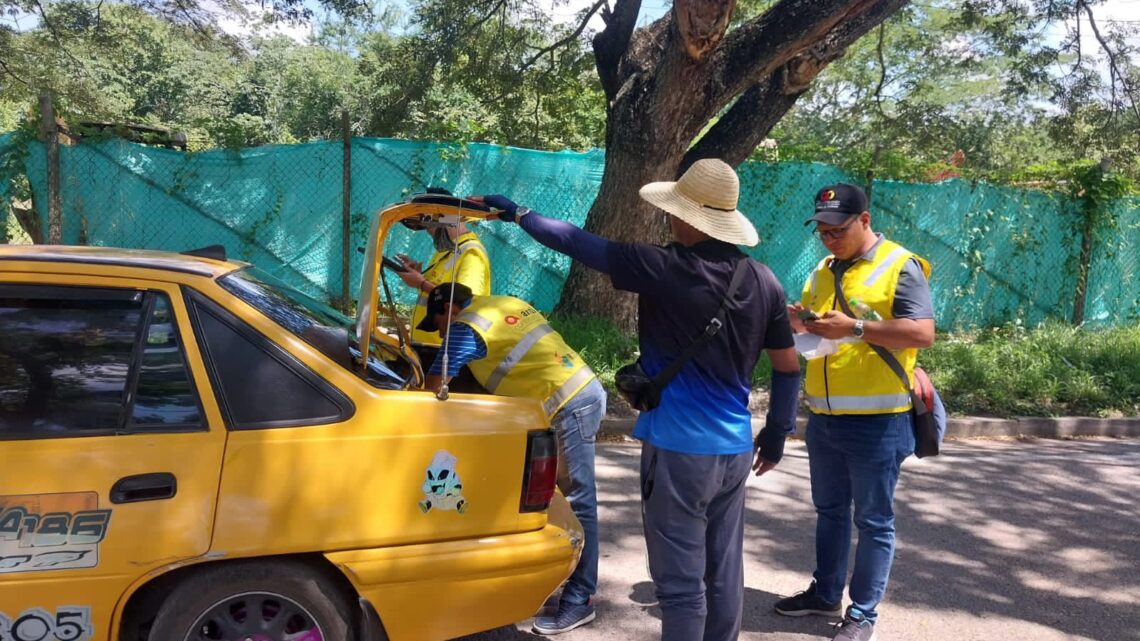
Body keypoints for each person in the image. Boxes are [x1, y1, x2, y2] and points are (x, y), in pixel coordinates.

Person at [476, 157, 802, 641]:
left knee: (681, 585)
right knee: (723, 573)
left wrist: (518, 213)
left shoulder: (664, 267)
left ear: (690, 217)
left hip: (679, 450)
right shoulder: (764, 280)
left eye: (675, 211)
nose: (668, 218)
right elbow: (787, 366)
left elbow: (576, 242)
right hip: (735, 452)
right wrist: (776, 434)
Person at [776, 183, 935, 641]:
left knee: (873, 520)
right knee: (829, 511)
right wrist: (800, 319)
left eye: (837, 229)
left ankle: (862, 613)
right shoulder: (823, 270)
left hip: (879, 421)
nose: (828, 238)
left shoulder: (900, 265)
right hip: (824, 419)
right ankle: (825, 592)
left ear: (864, 220)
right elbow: (823, 329)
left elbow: (922, 334)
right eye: (821, 231)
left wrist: (858, 327)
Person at [417, 282, 606, 636]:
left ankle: (580, 600)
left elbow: (435, 385)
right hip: (580, 394)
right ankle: (571, 588)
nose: (441, 333)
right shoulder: (500, 302)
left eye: (438, 323)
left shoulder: (468, 326)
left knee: (580, 502)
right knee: (557, 500)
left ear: (450, 311)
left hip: (568, 404)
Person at [395, 191, 492, 352]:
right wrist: (419, 276)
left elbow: (463, 305)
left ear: (447, 218)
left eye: (431, 226)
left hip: (445, 349)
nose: (429, 232)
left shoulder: (471, 254)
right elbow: (441, 290)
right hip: (427, 345)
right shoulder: (447, 250)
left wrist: (421, 282)